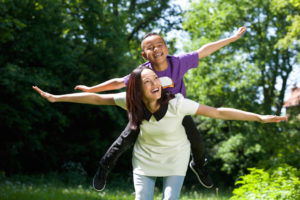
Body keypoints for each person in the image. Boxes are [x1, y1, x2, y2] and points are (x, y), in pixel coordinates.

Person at [32, 67, 287, 200]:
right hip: (144, 160)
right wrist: (57, 98)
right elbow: (97, 99)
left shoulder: (177, 103)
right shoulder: (128, 101)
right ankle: (104, 168)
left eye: (156, 79)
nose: (154, 83)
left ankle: (200, 166)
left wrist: (259, 117)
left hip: (176, 157)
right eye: (147, 81)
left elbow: (218, 112)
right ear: (137, 89)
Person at [74, 27, 247, 191]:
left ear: (166, 48)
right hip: (147, 112)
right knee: (124, 139)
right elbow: (119, 82)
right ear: (144, 55)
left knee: (197, 140)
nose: (156, 49)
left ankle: (199, 165)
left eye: (159, 45)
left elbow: (204, 51)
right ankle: (104, 167)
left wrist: (232, 38)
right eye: (150, 47)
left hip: (176, 112)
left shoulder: (178, 62)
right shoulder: (142, 72)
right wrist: (92, 89)